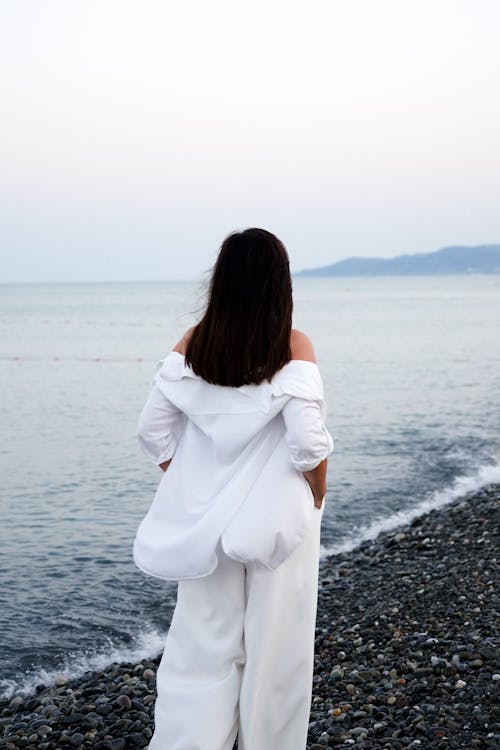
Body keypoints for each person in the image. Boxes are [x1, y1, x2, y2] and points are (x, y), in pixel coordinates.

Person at [134, 227, 334, 750]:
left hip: (207, 521)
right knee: (277, 645)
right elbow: (308, 443)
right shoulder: (292, 343)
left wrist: (192, 479)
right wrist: (318, 492)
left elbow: (152, 433)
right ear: (279, 282)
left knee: (202, 644)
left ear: (220, 281)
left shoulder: (194, 343)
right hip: (277, 523)